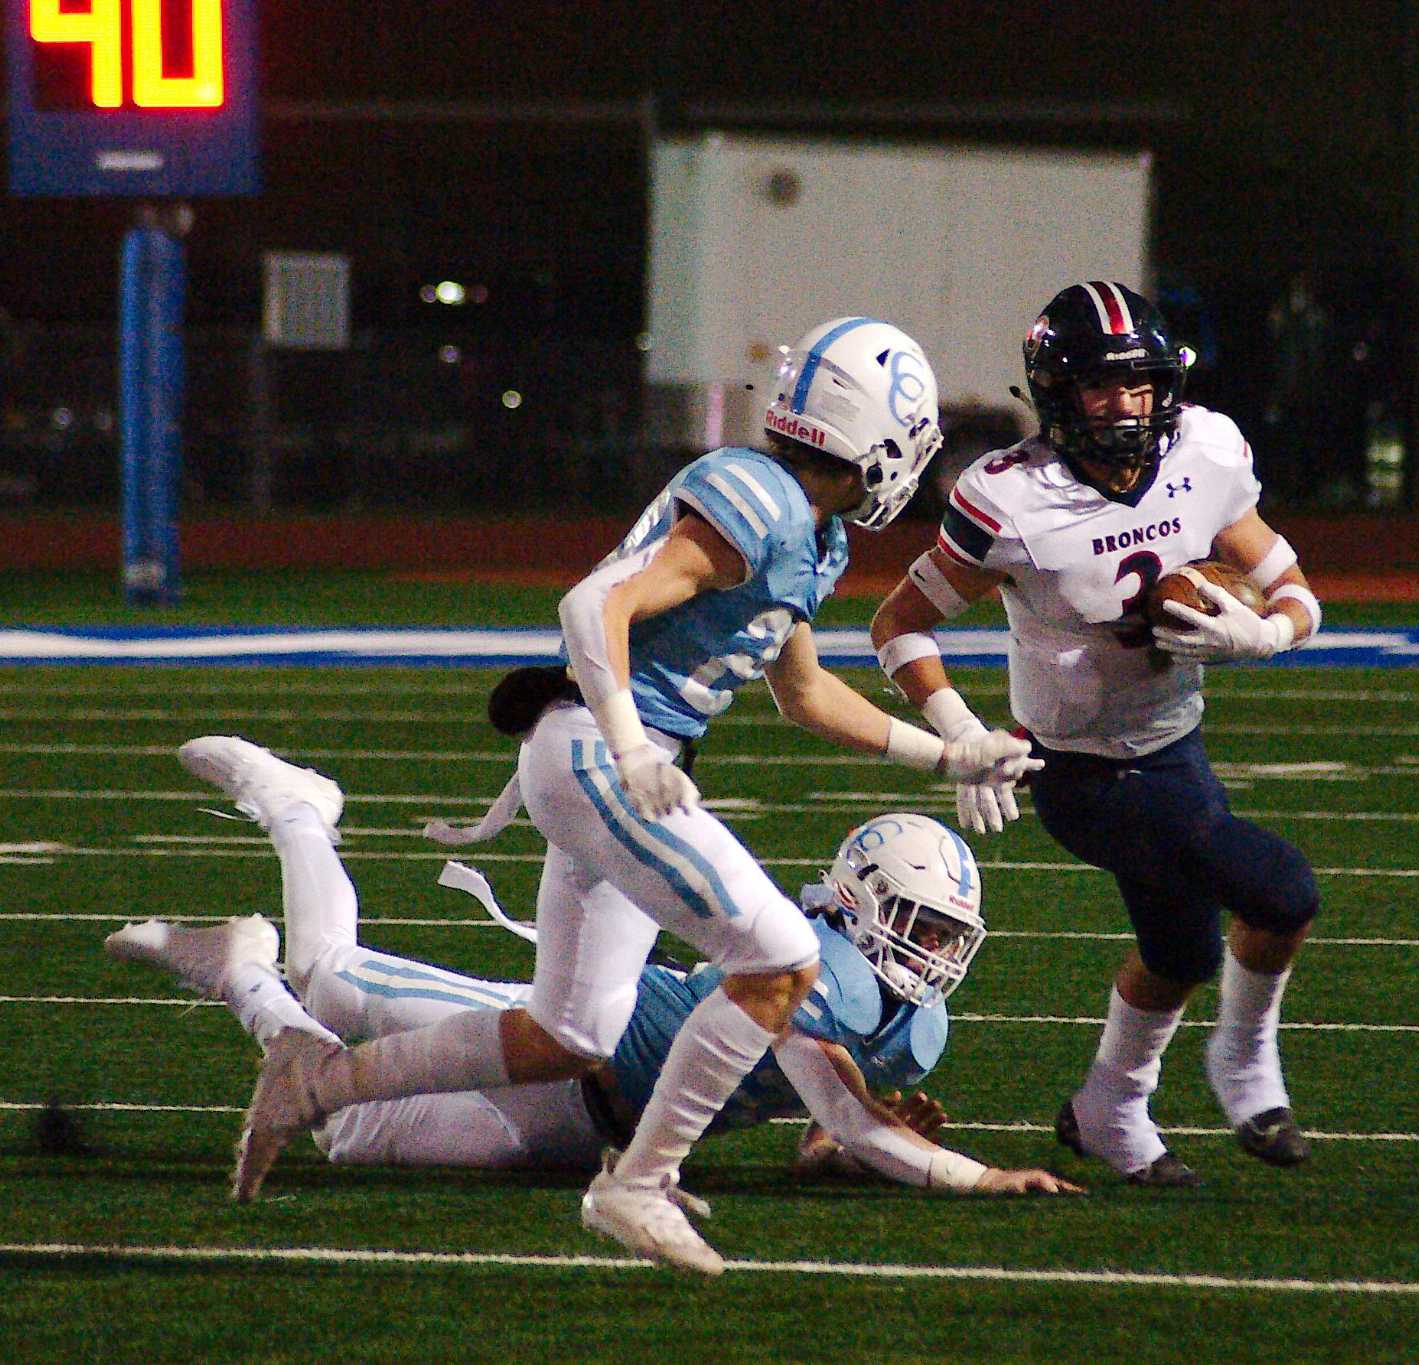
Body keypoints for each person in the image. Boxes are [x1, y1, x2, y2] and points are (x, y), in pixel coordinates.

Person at [208, 317, 1038, 1272]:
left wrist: (947, 753)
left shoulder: (813, 535)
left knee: (573, 1030)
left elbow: (802, 692)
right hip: (599, 749)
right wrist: (634, 742)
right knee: (778, 954)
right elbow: (588, 604)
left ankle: (318, 1079)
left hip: (609, 751)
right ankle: (635, 1184)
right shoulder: (757, 499)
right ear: (874, 438)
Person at [870, 281, 1325, 1187]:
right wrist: (959, 730)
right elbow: (899, 622)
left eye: (1141, 384)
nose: (1128, 405)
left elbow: (1294, 584)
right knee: (1281, 888)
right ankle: (1245, 1070)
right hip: (1075, 770)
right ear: (1057, 394)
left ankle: (1105, 1111)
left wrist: (1265, 631)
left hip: (1175, 747)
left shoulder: (1204, 450)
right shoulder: (1010, 496)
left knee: (1182, 951)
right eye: (1101, 388)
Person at [104, 794, 1078, 1202]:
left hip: (581, 1131)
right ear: (861, 906)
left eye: (946, 936)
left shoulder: (914, 1036)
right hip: (561, 1040)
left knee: (348, 1137)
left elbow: (817, 1119)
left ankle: (239, 971)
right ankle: (298, 812)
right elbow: (838, 1107)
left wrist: (828, 1152)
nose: (933, 953)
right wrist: (979, 1177)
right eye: (918, 926)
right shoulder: (813, 966)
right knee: (328, 974)